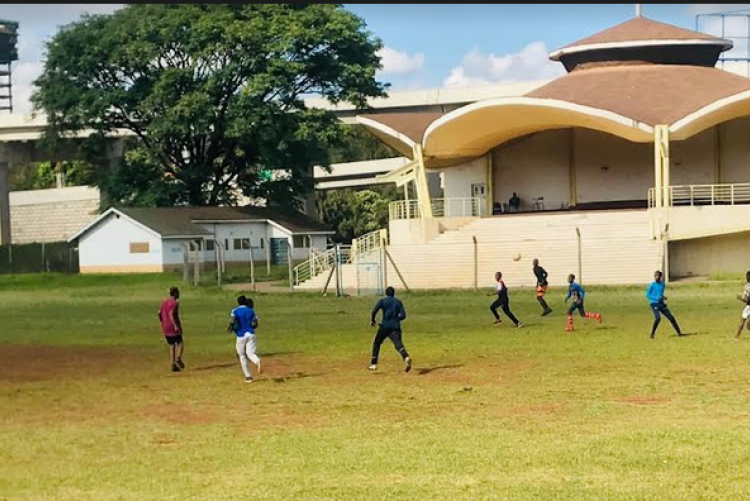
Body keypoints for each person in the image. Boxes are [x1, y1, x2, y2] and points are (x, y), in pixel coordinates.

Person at [370, 286, 412, 373]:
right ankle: (406, 357)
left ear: (386, 293)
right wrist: (397, 319)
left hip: (385, 326)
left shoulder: (383, 301)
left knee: (377, 343)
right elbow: (403, 315)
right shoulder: (398, 302)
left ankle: (374, 364)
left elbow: (374, 310)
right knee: (398, 344)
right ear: (394, 293)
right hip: (395, 327)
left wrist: (373, 320)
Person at [227, 295, 261, 383]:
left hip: (241, 335)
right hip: (251, 334)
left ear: (238, 302)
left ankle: (248, 377)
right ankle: (257, 361)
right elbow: (256, 323)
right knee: (250, 353)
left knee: (241, 355)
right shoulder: (251, 310)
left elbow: (232, 319)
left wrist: (230, 326)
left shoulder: (235, 310)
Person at [646, 270, 683, 339]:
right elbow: (648, 294)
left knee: (671, 318)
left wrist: (663, 297)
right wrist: (656, 298)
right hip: (654, 304)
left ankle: (679, 333)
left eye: (657, 276)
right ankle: (652, 334)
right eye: (655, 276)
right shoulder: (652, 285)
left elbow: (660, 293)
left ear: (660, 277)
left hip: (661, 304)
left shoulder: (662, 284)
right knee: (658, 318)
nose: (656, 277)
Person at [158, 286, 184, 372]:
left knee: (171, 345)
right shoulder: (175, 303)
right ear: (175, 293)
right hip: (172, 326)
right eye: (178, 292)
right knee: (180, 343)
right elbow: (171, 314)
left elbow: (159, 313)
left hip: (165, 326)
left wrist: (162, 322)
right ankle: (178, 358)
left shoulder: (164, 302)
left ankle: (173, 364)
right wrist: (175, 325)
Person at [735, 271, 750, 340]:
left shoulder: (747, 287)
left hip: (748, 306)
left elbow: (745, 299)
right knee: (748, 325)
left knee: (742, 322)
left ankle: (736, 337)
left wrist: (740, 298)